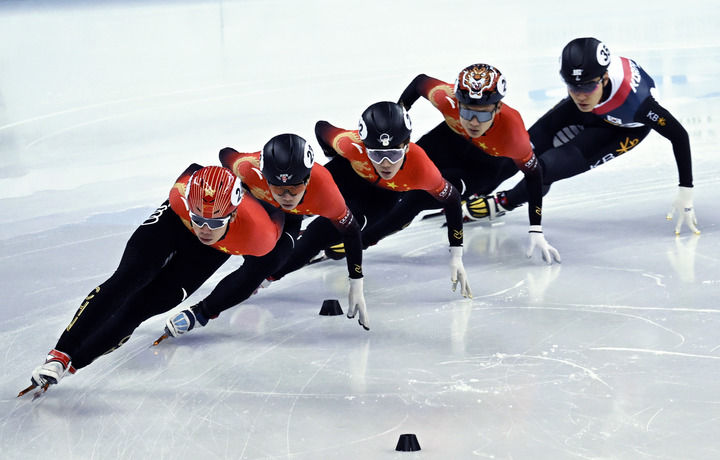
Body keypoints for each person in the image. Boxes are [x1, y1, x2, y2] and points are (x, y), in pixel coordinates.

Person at [22, 165, 285, 395]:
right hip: (174, 222)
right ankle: (59, 355)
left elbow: (278, 228)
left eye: (214, 223)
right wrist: (201, 218)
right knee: (128, 279)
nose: (205, 229)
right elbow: (197, 168)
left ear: (233, 215)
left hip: (214, 249)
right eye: (200, 220)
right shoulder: (179, 197)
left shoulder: (259, 236)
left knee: (143, 306)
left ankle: (75, 363)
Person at [480, 37, 699, 235]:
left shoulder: (638, 103)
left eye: (587, 87)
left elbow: (679, 135)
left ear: (605, 79)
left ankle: (501, 203)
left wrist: (685, 192)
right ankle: (475, 191)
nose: (581, 96)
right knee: (519, 148)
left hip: (621, 129)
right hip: (592, 110)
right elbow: (582, 92)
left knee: (546, 169)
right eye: (572, 87)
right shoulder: (584, 88)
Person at [271, 101, 473, 298]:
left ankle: (269, 274)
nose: (385, 164)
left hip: (380, 198)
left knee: (321, 234)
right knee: (292, 199)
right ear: (364, 146)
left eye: (393, 154)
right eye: (376, 154)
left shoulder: (422, 168)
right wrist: (334, 157)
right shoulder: (350, 145)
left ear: (406, 146)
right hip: (347, 175)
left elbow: (452, 199)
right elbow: (322, 128)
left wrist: (456, 255)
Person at [390, 63, 560, 264]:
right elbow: (419, 82)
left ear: (498, 108)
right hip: (451, 139)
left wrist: (536, 229)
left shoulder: (514, 132)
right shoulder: (446, 98)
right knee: (399, 169)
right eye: (467, 111)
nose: (474, 121)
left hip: (485, 163)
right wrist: (397, 119)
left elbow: (534, 175)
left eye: (482, 114)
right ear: (457, 102)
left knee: (416, 198)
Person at [216, 133, 369, 330]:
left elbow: (351, 231)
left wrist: (356, 281)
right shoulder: (247, 168)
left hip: (298, 211)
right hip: (266, 206)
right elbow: (226, 155)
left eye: (294, 188)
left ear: (307, 180)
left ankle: (268, 274)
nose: (287, 196)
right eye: (279, 188)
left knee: (297, 251)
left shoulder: (326, 189)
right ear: (266, 178)